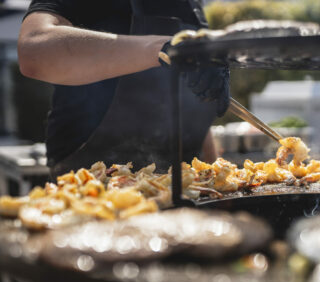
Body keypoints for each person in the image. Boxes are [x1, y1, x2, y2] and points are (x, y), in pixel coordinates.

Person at [17, 0, 229, 178]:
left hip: (185, 187)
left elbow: (196, 91)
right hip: (96, 184)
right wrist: (161, 49)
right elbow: (33, 50)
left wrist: (213, 169)